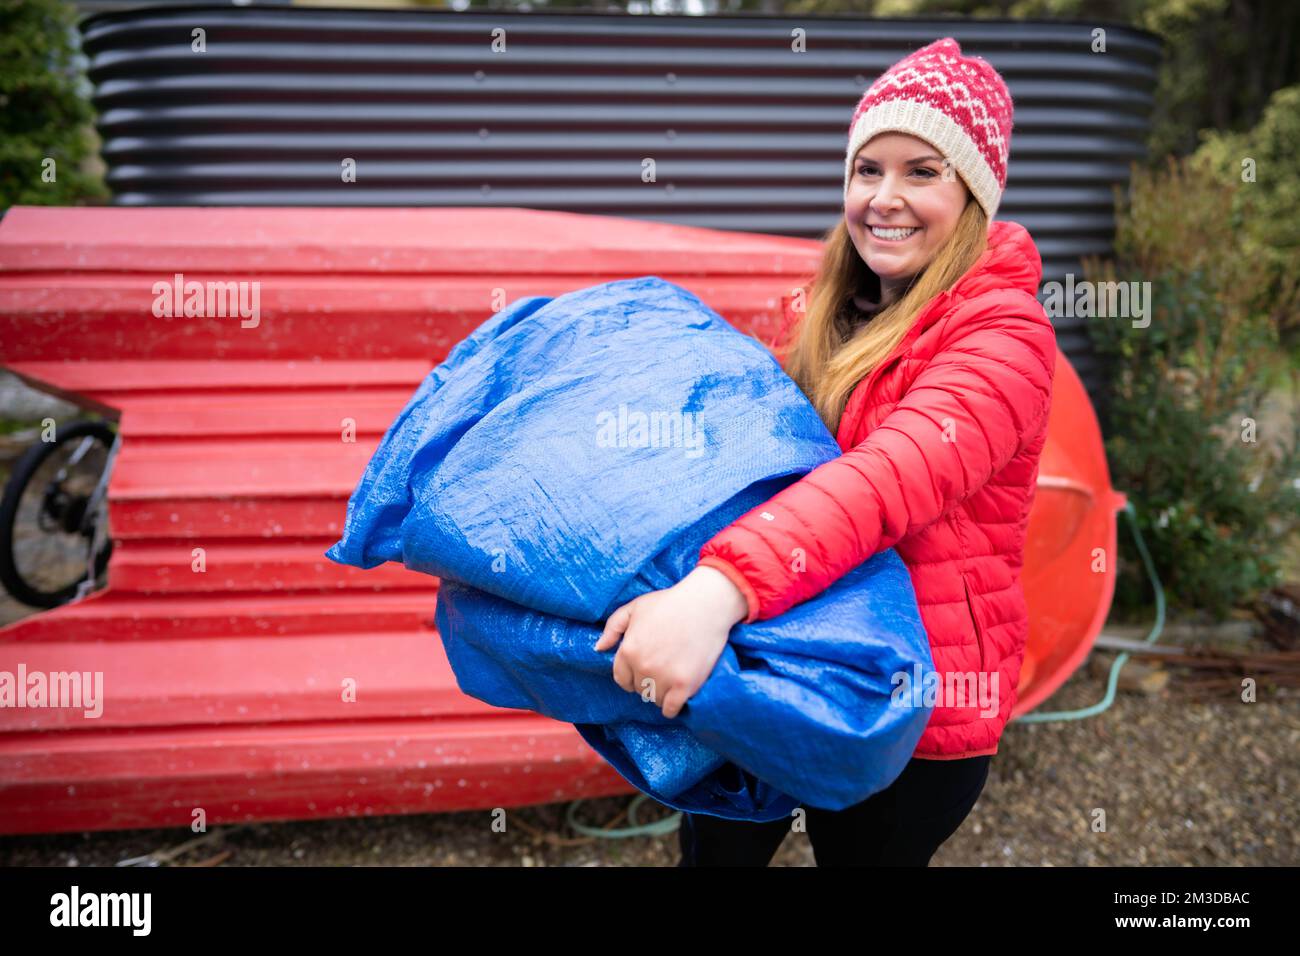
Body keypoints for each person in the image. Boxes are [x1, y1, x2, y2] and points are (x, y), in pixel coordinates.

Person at [596, 37, 1056, 866]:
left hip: (910, 708)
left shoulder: (1005, 337)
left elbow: (887, 477)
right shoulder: (830, 316)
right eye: (866, 169)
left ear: (977, 193)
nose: (884, 198)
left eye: (923, 172)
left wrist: (718, 590)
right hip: (783, 665)